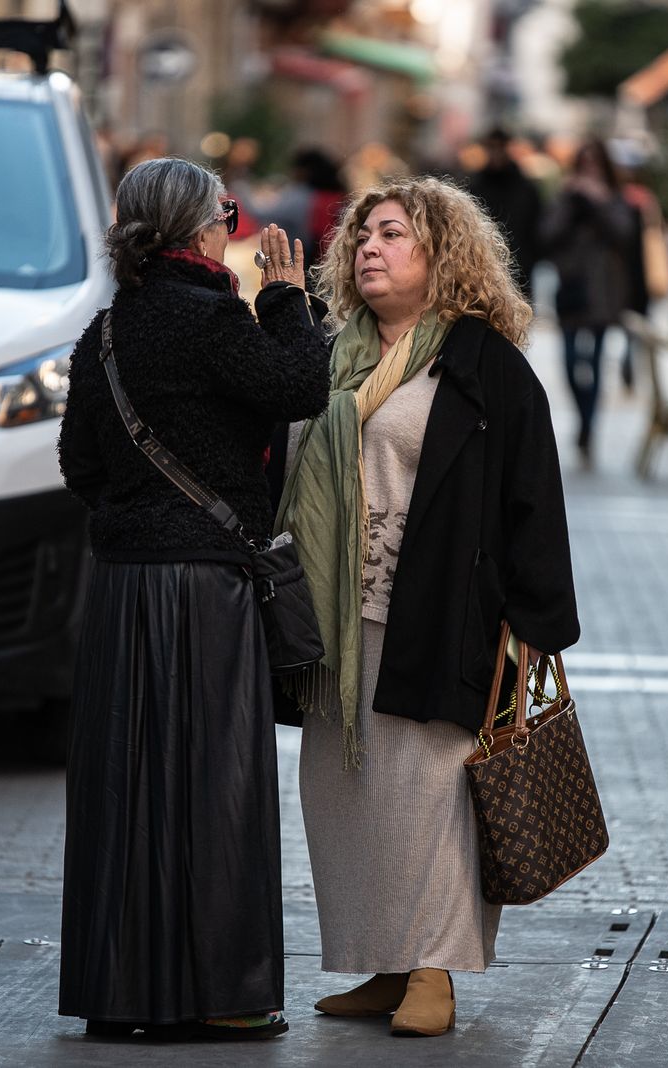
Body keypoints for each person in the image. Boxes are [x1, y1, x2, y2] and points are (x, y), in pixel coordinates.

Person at [276, 177, 580, 1037]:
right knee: (349, 794)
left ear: (442, 255)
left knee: (429, 796)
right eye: (362, 236)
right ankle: (384, 961)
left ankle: (435, 972)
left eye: (393, 234)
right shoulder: (333, 356)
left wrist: (536, 625)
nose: (368, 247)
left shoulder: (485, 366)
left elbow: (533, 495)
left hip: (440, 613)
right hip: (336, 622)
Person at [55, 157, 329, 1041]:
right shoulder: (215, 319)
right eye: (228, 213)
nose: (235, 227)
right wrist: (287, 299)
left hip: (123, 589)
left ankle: (122, 994)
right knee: (221, 788)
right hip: (205, 590)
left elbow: (80, 466)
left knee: (123, 792)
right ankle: (227, 995)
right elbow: (302, 388)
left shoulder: (106, 331)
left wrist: (140, 522)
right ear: (200, 228)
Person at [541, 137, 640, 466]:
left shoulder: (615, 199)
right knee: (569, 360)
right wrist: (572, 202)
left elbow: (624, 234)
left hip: (603, 290)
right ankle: (583, 417)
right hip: (571, 288)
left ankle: (588, 427)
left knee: (595, 362)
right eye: (585, 163)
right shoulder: (567, 195)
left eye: (596, 163)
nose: (590, 170)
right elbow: (548, 234)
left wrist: (598, 203)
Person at [466, 127, 543, 299]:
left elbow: (536, 225)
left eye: (499, 147)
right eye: (491, 147)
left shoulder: (525, 188)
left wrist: (530, 257)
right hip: (483, 265)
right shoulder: (475, 185)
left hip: (520, 266)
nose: (496, 153)